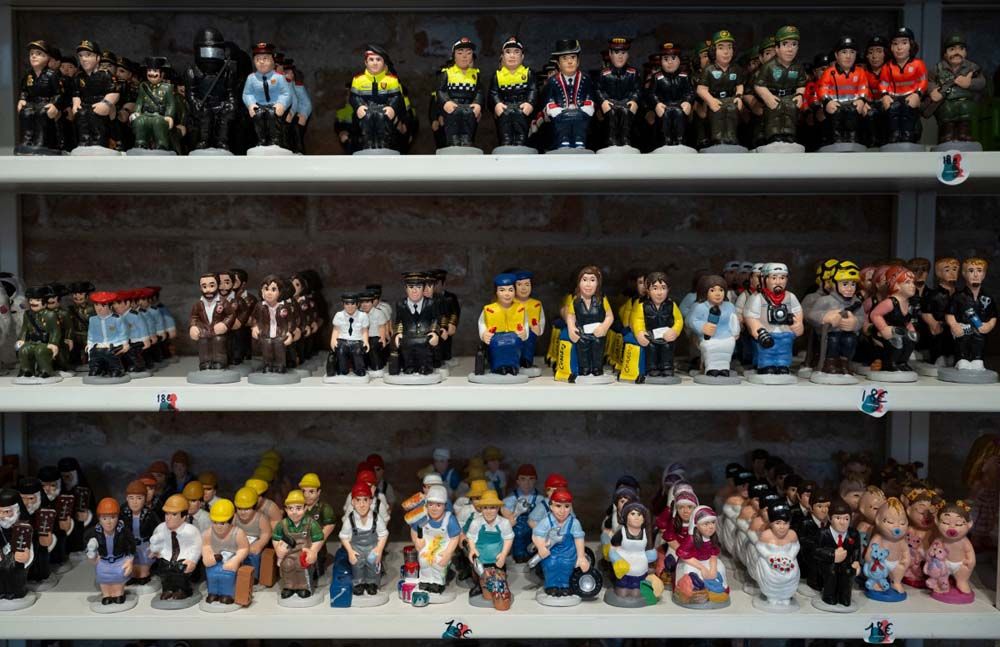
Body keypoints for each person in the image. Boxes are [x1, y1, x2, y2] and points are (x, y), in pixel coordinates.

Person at [544, 39, 595, 150]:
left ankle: (580, 141)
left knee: (581, 123)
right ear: (558, 64)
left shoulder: (585, 79)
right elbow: (549, 99)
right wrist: (555, 109)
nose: (570, 61)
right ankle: (563, 141)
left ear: (578, 61)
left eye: (573, 57)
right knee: (561, 124)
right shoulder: (553, 81)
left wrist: (586, 107)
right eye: (564, 58)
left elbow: (589, 96)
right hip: (561, 113)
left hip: (580, 112)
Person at [149, 494, 201, 602]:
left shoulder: (191, 531)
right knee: (164, 572)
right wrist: (154, 550)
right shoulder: (161, 528)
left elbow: (197, 546)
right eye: (167, 514)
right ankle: (167, 589)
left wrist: (192, 560)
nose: (168, 518)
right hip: (166, 557)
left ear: (183, 516)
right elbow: (155, 540)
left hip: (183, 557)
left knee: (180, 573)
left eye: (173, 514)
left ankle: (183, 590)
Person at [272, 490, 323, 599]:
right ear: (286, 509)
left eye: (298, 508)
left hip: (303, 554)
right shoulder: (282, 524)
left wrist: (313, 551)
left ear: (305, 508)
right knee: (287, 565)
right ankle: (289, 586)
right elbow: (276, 538)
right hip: (288, 554)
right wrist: (278, 548)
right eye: (291, 508)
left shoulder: (311, 523)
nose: (294, 512)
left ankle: (304, 587)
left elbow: (318, 539)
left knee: (302, 567)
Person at [411, 485, 460, 594]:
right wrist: (417, 540)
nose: (434, 508)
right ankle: (425, 580)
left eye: (438, 505)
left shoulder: (449, 520)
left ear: (445, 505)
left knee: (438, 562)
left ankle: (437, 583)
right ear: (426, 505)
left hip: (443, 546)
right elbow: (415, 529)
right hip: (428, 545)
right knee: (423, 560)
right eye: (430, 504)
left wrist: (448, 553)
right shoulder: (424, 517)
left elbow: (455, 538)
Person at [488, 36, 536, 148]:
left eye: (516, 52)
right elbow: (493, 92)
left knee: (521, 128)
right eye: (508, 52)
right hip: (505, 108)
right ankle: (506, 142)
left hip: (521, 108)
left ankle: (521, 142)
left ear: (522, 56)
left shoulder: (528, 73)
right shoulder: (497, 75)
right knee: (504, 128)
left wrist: (530, 103)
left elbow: (533, 90)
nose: (512, 55)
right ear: (502, 56)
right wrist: (497, 104)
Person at [86, 498, 135, 606]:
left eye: (113, 517)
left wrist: (129, 560)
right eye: (104, 518)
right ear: (99, 519)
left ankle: (118, 594)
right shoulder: (95, 532)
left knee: (119, 578)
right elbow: (86, 542)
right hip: (103, 561)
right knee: (104, 578)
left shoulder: (123, 531)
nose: (109, 522)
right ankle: (106, 595)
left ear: (118, 517)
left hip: (119, 561)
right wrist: (91, 554)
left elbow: (131, 544)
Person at [242, 42, 291, 149]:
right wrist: (251, 104)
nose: (261, 62)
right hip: (259, 105)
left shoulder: (279, 77)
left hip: (274, 105)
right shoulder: (251, 78)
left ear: (272, 61)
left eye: (265, 58)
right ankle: (261, 140)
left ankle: (275, 140)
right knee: (258, 115)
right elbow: (247, 93)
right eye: (258, 59)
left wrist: (281, 104)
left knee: (272, 115)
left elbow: (286, 93)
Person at [813, 500, 861, 608]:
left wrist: (856, 562)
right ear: (830, 518)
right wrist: (832, 555)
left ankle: (845, 597)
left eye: (846, 519)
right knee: (832, 571)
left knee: (848, 572)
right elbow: (816, 551)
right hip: (827, 564)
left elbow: (856, 549)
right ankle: (829, 596)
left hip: (846, 564)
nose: (842, 522)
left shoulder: (853, 533)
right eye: (838, 518)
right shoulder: (823, 533)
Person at [201, 498, 249, 605]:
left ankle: (227, 594)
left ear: (231, 520)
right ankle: (213, 592)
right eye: (215, 522)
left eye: (222, 523)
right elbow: (206, 546)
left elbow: (244, 548)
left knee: (227, 575)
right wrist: (208, 556)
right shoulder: (208, 533)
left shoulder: (238, 533)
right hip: (215, 560)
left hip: (231, 561)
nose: (218, 526)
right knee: (211, 574)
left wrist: (236, 560)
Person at [596, 37, 641, 148]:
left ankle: (625, 139)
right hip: (611, 103)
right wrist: (603, 101)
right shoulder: (604, 73)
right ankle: (612, 140)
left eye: (623, 53)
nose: (620, 56)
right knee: (611, 114)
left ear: (628, 55)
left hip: (626, 102)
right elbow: (599, 90)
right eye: (616, 53)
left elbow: (637, 89)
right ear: (610, 54)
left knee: (625, 112)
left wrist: (634, 100)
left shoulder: (633, 73)